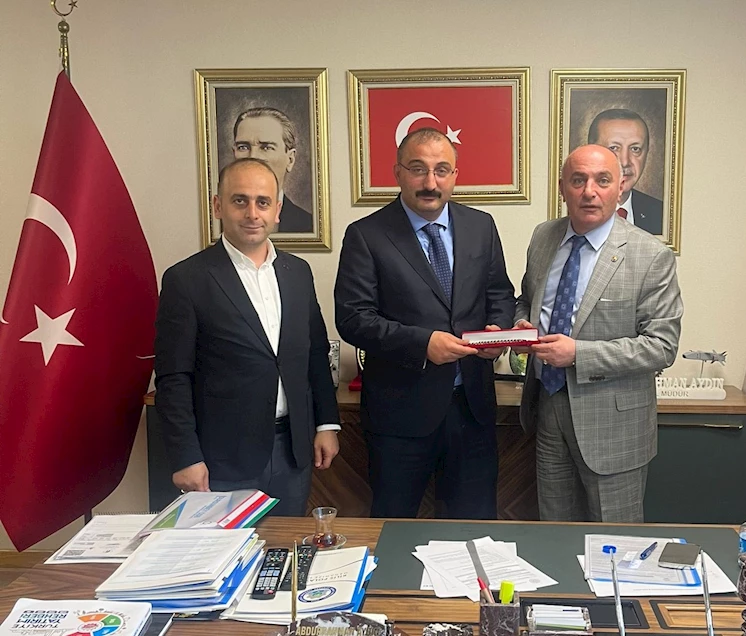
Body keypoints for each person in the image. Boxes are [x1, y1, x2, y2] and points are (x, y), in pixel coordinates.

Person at [334, 127, 515, 519]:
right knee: (393, 525)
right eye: (418, 169)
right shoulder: (366, 235)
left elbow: (499, 293)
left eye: (441, 170)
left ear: (455, 176)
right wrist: (422, 344)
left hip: (472, 410)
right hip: (399, 417)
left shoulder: (481, 226)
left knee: (474, 527)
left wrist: (497, 333)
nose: (430, 182)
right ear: (397, 172)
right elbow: (352, 318)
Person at [154, 157, 339, 515]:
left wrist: (327, 424)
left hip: (293, 451)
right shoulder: (186, 280)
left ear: (277, 211)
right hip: (222, 458)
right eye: (240, 200)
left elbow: (315, 353)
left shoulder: (297, 272)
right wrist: (186, 456)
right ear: (218, 206)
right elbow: (173, 377)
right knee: (226, 549)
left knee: (286, 545)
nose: (252, 213)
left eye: (262, 202)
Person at [513, 144, 682, 523]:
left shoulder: (650, 255)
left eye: (602, 180)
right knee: (554, 531)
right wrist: (523, 325)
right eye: (578, 180)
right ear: (562, 188)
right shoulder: (543, 237)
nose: (589, 191)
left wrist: (578, 354)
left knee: (614, 544)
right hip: (547, 408)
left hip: (613, 426)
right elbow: (526, 300)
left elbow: (661, 346)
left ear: (621, 187)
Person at [232, 106, 313, 233]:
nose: (253, 157)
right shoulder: (218, 221)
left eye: (266, 147)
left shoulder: (307, 225)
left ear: (290, 160)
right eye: (243, 147)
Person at [587, 108, 664, 235]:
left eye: (635, 149)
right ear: (591, 151)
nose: (625, 162)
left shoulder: (660, 214)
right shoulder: (571, 210)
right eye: (614, 148)